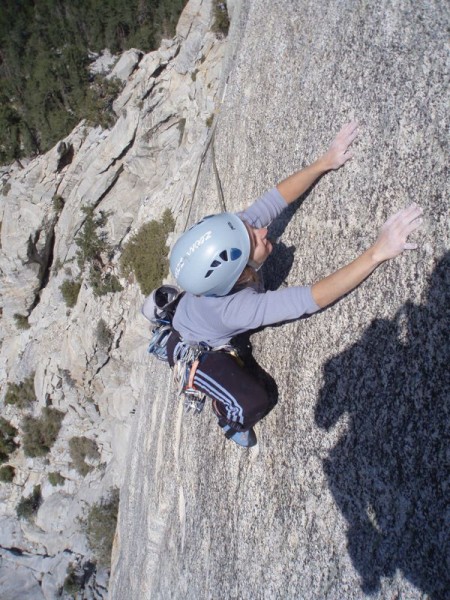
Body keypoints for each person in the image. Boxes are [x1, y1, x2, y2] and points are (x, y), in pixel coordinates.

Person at [167, 121, 423, 447]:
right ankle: (226, 417)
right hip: (194, 348)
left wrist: (325, 162)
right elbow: (311, 298)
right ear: (239, 274)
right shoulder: (237, 309)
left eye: (251, 228)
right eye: (253, 240)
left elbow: (274, 201)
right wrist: (376, 253)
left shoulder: (234, 242)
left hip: (191, 312)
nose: (261, 231)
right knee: (252, 401)